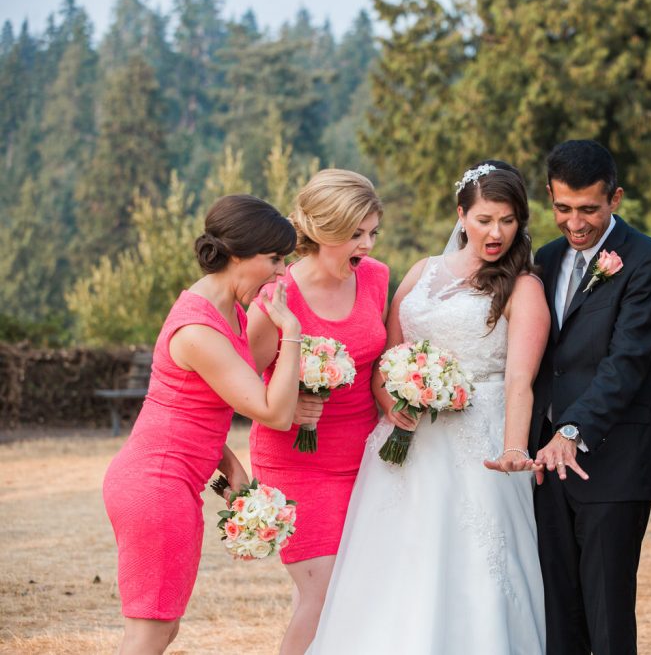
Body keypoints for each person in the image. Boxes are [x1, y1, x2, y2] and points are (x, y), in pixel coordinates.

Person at [307, 160, 549, 653]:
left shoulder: (523, 287)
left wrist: (513, 449)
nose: (496, 231)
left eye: (507, 220)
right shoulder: (422, 271)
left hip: (479, 444)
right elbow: (386, 358)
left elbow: (520, 382)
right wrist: (390, 401)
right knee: (394, 567)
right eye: (484, 219)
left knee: (470, 570)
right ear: (462, 215)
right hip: (405, 445)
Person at [103, 194, 301, 655]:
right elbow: (274, 411)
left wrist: (227, 463)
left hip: (169, 483)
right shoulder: (199, 331)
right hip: (155, 488)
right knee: (148, 635)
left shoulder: (223, 310)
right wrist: (289, 329)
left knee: (162, 629)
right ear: (236, 255)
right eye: (273, 259)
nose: (280, 273)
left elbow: (190, 410)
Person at [530, 139, 651, 655]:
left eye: (589, 208)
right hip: (546, 464)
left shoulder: (645, 258)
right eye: (563, 208)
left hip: (611, 463)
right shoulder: (543, 259)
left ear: (616, 198)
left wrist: (573, 429)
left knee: (608, 618)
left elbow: (627, 361)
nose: (575, 222)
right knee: (557, 616)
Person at [246, 169, 387, 655]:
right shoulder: (276, 297)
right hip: (297, 465)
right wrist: (286, 407)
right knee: (322, 595)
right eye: (355, 234)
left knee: (362, 593)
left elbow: (378, 365)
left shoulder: (376, 278)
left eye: (372, 233)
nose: (366, 245)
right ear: (323, 232)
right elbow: (241, 389)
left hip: (367, 460)